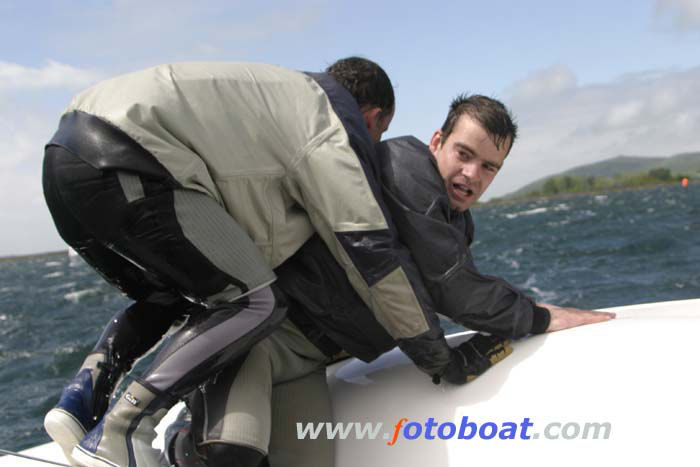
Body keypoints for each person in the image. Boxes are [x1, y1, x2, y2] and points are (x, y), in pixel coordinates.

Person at [41, 57, 463, 467]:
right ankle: (125, 429)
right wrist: (431, 350)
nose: (371, 147)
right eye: (379, 132)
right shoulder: (326, 122)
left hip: (65, 155)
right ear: (370, 116)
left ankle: (82, 399)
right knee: (255, 302)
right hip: (125, 158)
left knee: (175, 296)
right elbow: (367, 245)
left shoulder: (271, 97)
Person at [169, 94, 615, 467]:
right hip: (264, 339)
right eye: (465, 154)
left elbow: (439, 288)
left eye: (490, 167)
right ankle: (177, 442)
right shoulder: (406, 172)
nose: (472, 176)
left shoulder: (453, 219)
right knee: (231, 454)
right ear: (437, 141)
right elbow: (453, 289)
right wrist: (537, 316)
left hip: (310, 361)